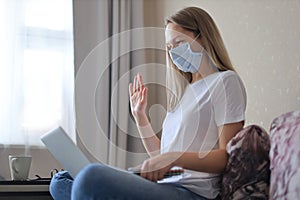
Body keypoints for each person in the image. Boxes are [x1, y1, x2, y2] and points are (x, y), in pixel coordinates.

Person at [49, 6, 246, 200]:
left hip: (192, 192)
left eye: (179, 42)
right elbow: (161, 156)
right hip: (165, 184)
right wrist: (140, 117)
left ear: (202, 36)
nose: (174, 52)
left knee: (90, 178)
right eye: (169, 47)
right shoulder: (186, 91)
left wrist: (173, 158)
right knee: (62, 181)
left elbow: (227, 157)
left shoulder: (225, 81)